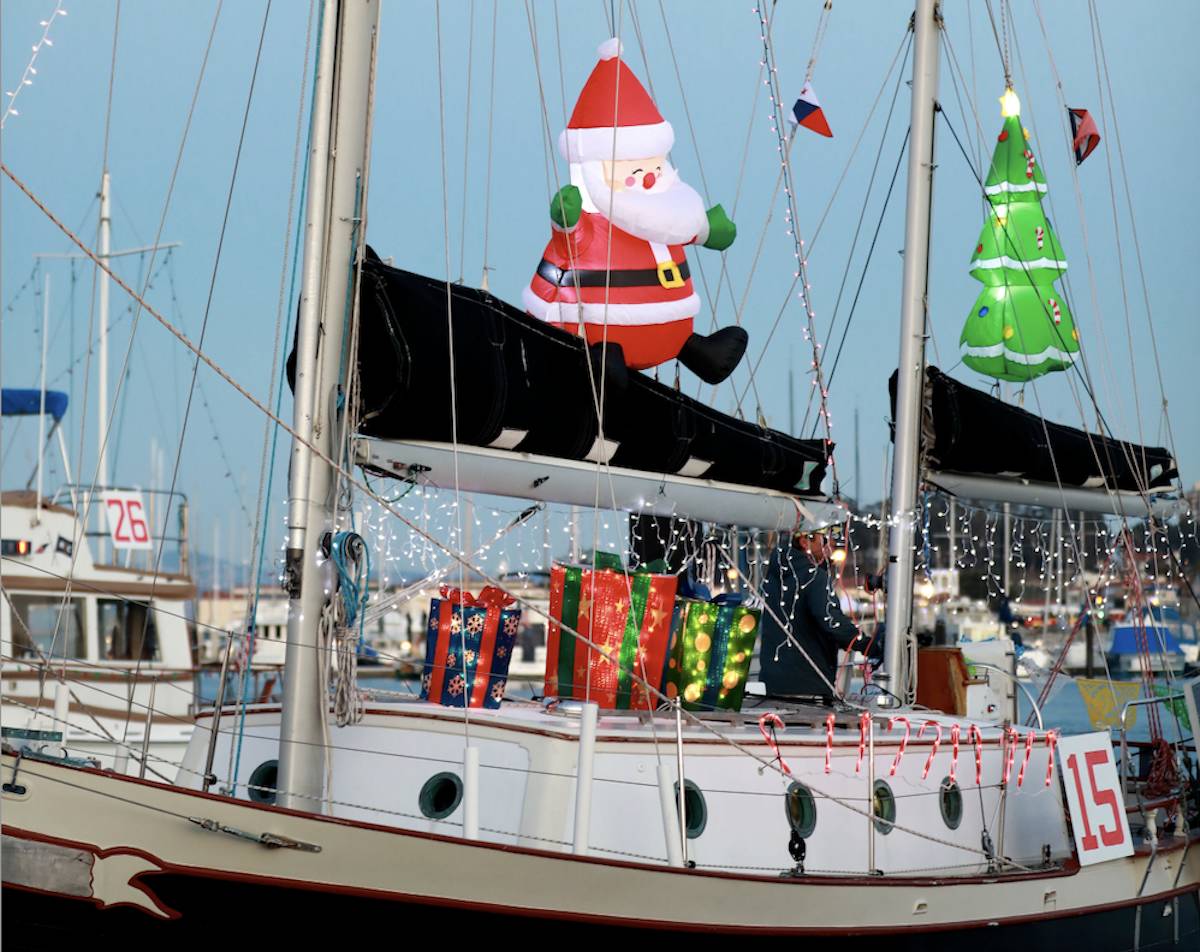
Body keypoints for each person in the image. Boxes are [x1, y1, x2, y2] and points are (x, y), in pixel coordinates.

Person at [759, 531, 883, 700]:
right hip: (809, 686)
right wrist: (870, 646)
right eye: (826, 538)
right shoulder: (814, 577)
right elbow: (831, 622)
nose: (832, 543)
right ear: (805, 541)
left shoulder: (776, 576)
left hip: (773, 684)